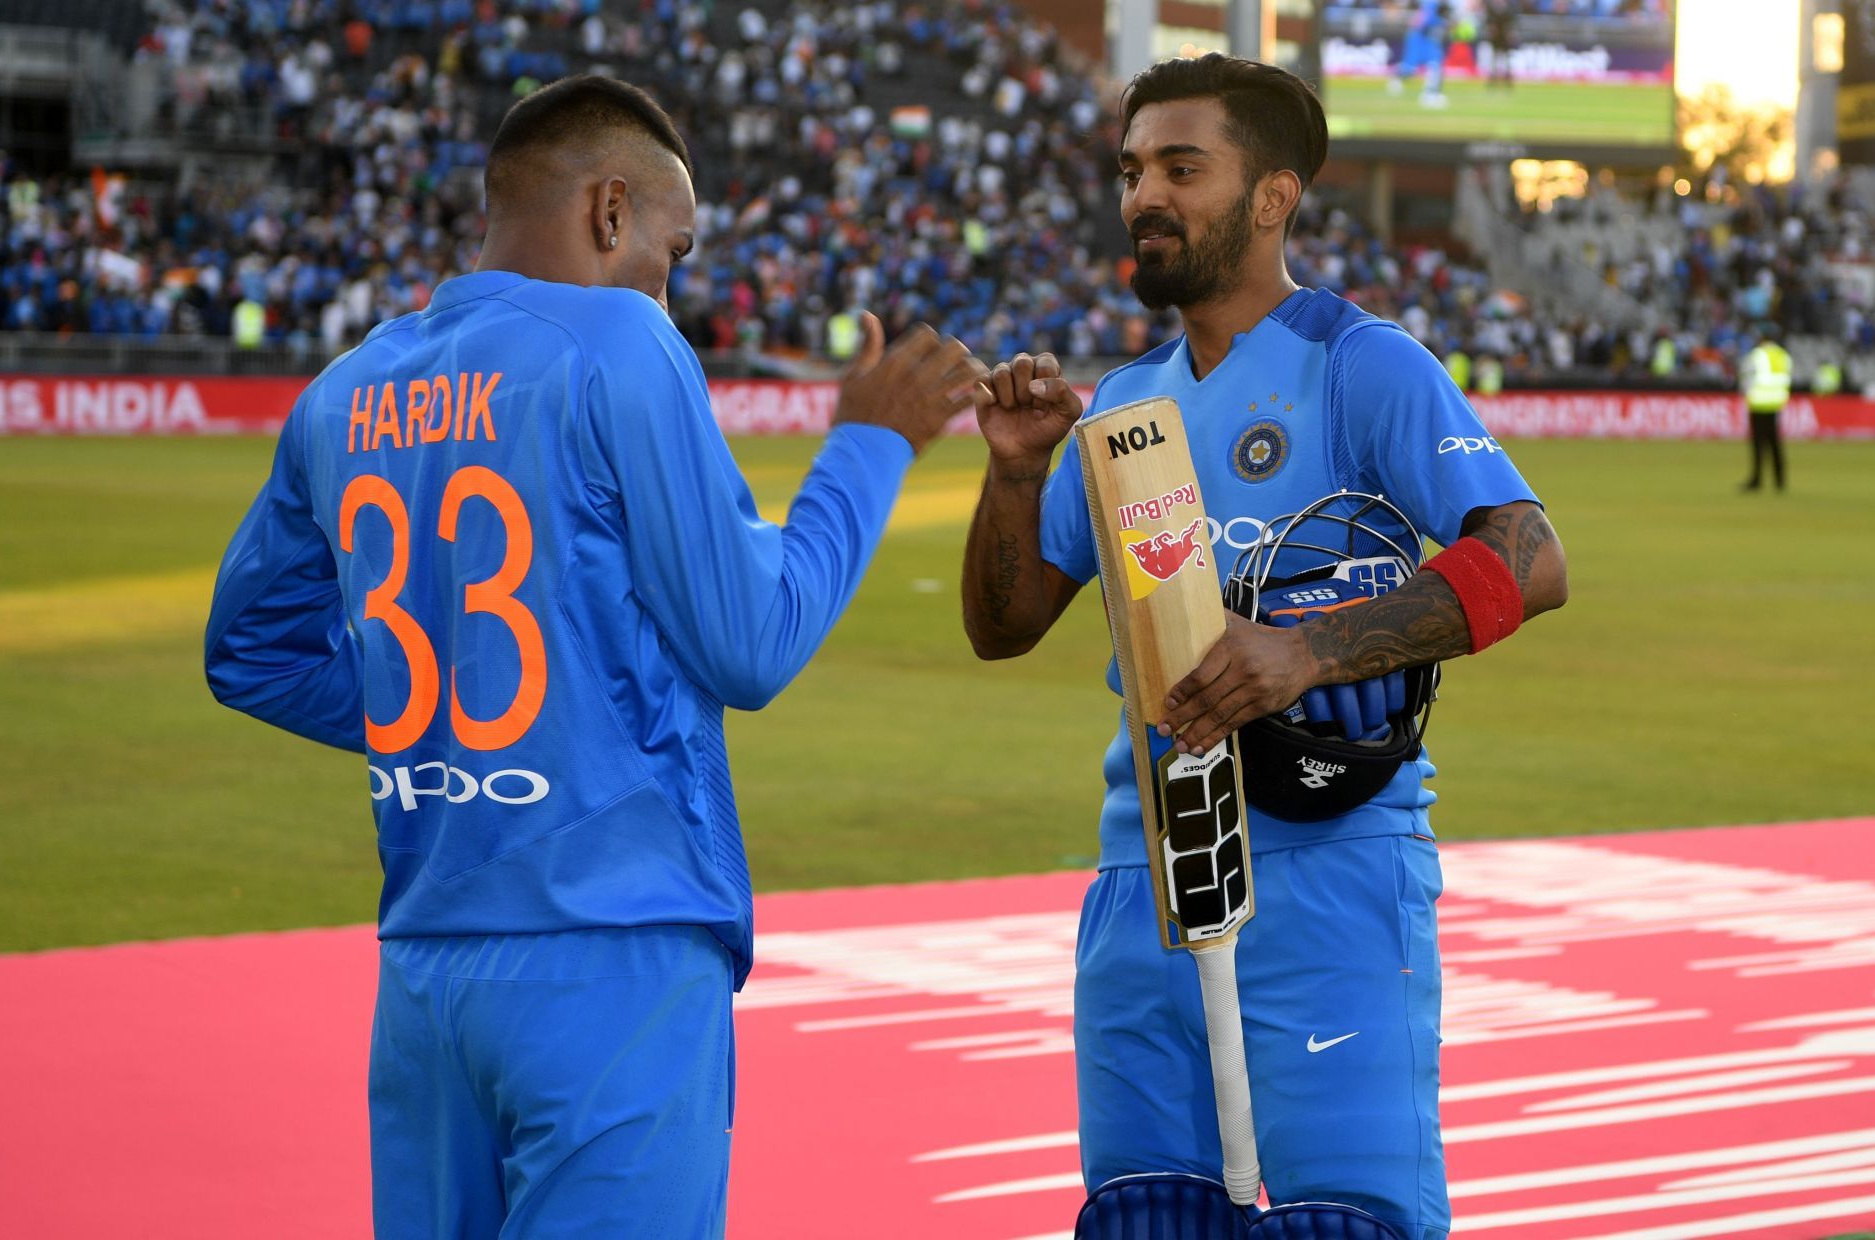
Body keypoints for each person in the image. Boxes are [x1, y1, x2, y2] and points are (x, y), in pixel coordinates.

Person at [205, 75, 985, 1238]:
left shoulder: (344, 388)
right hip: (615, 956)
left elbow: (251, 653)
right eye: (674, 252)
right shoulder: (621, 340)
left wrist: (463, 715)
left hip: (426, 976)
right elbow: (752, 643)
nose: (671, 291)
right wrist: (868, 449)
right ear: (610, 212)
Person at [961, 54, 1568, 1239]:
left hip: (1329, 875)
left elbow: (1532, 554)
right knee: (1147, 1220)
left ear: (1275, 195)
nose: (1146, 195)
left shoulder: (1362, 364)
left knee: (1343, 1224)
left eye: (1183, 168)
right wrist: (1016, 470)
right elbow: (1006, 620)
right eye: (1134, 169)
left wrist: (1309, 650)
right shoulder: (1127, 403)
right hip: (1145, 875)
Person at [1740, 329, 1793, 492]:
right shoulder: (1783, 356)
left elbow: (1746, 377)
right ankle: (1780, 480)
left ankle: (1757, 479)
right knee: (1775, 443)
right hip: (1775, 402)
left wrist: (1746, 395)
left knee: (1758, 444)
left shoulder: (1757, 355)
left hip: (1758, 403)